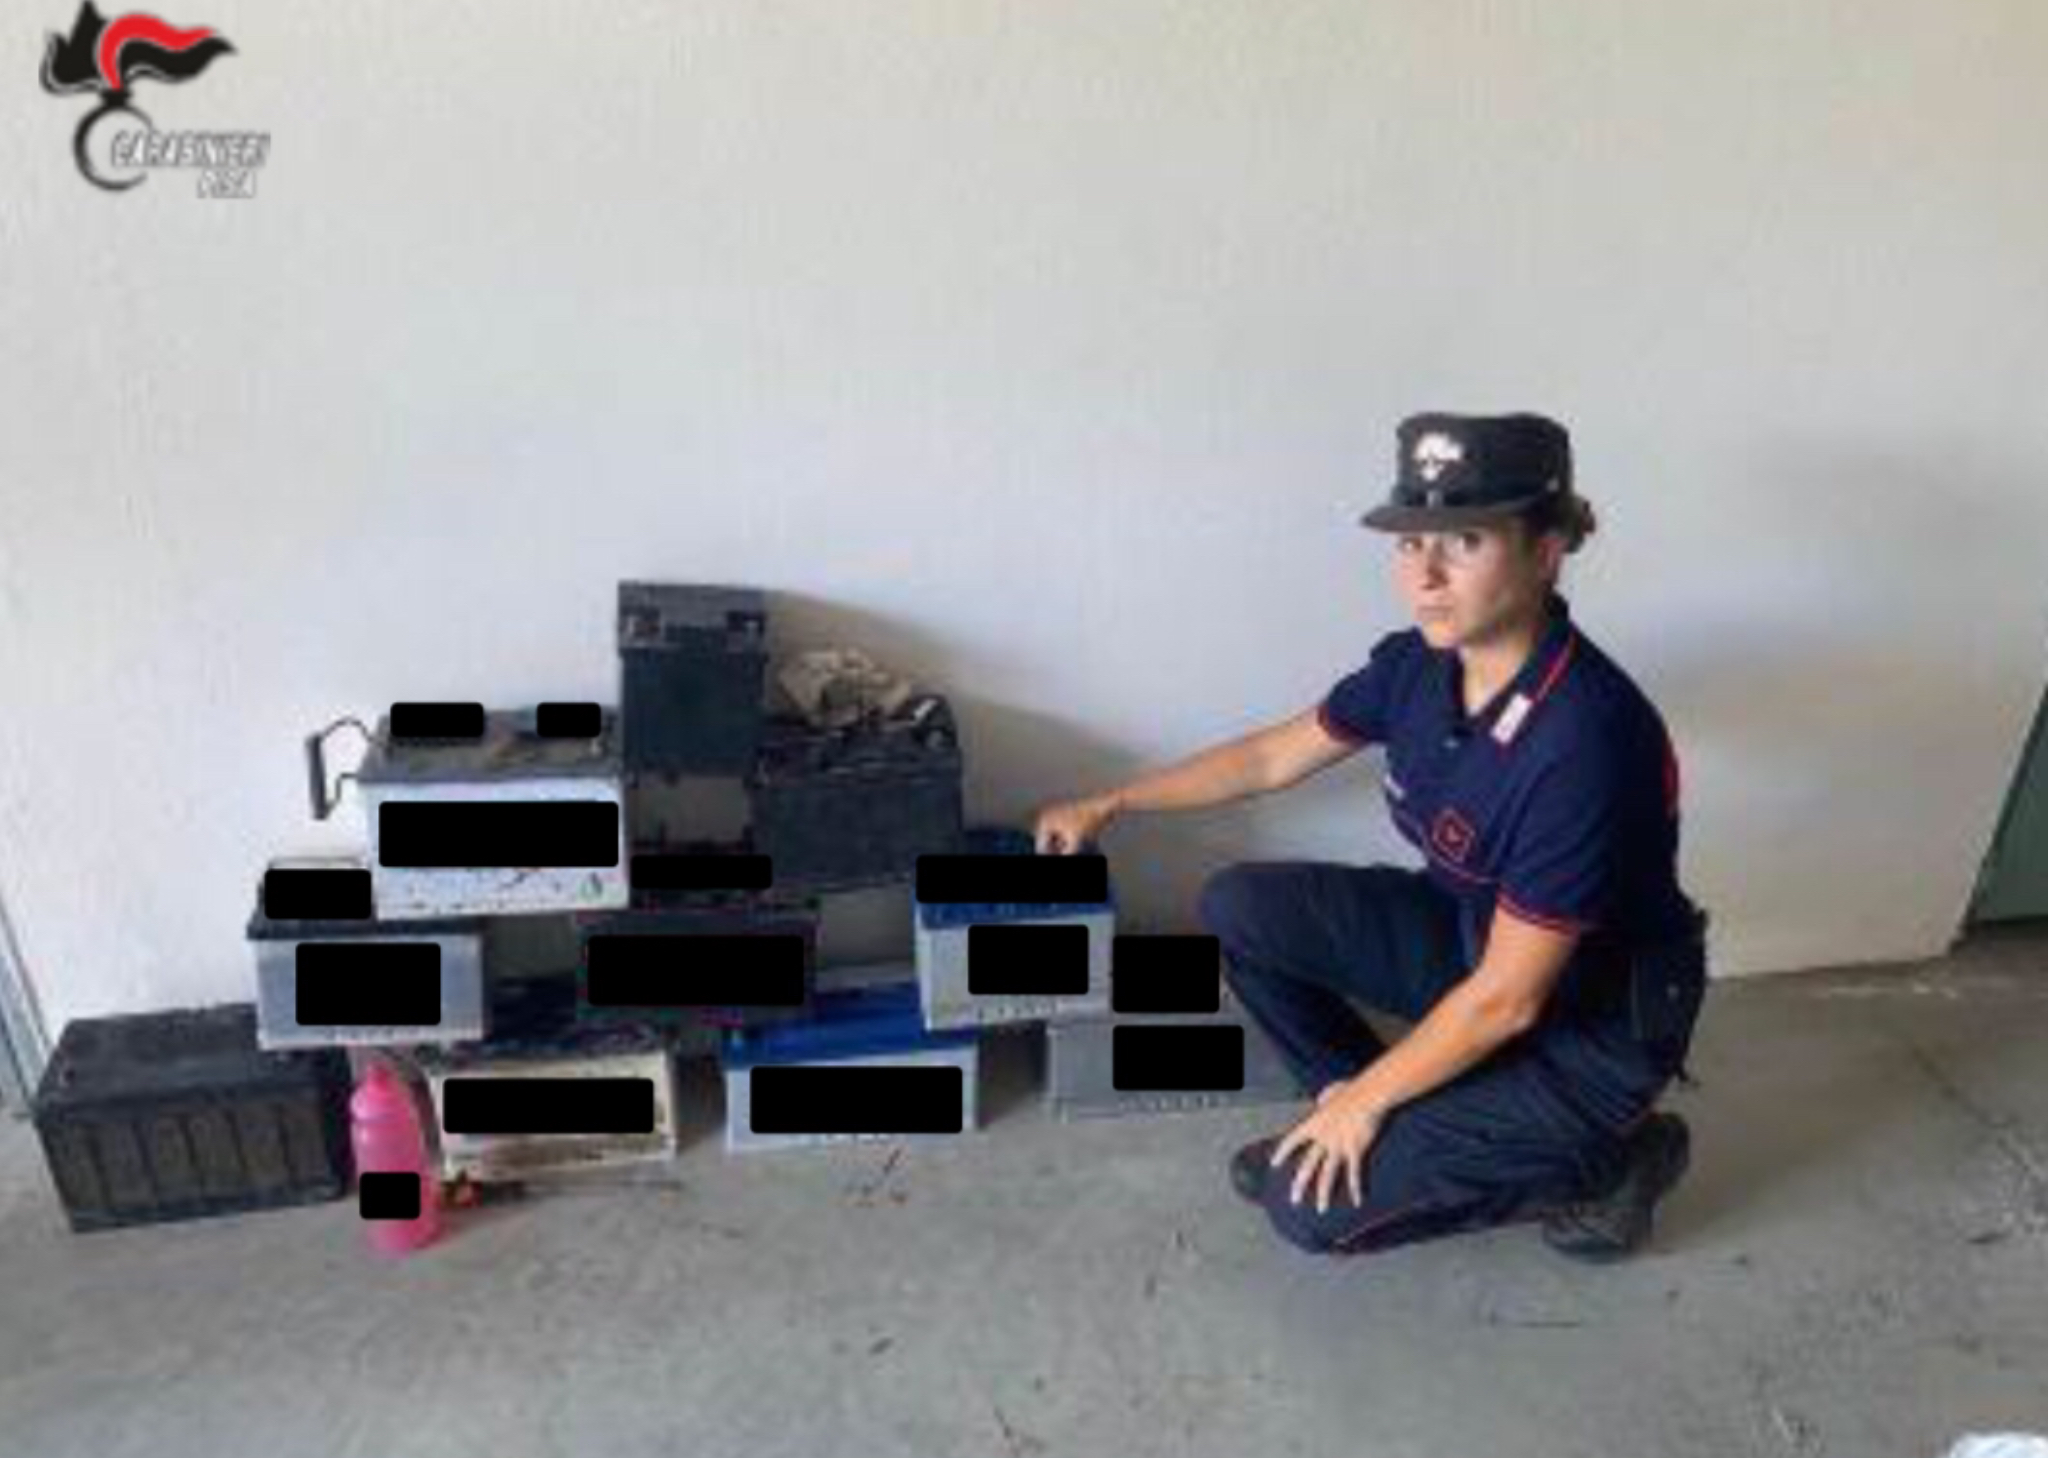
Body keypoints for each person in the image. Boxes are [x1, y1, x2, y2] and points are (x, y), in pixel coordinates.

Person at [1032, 412, 1707, 1261]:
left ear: (1546, 552)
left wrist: (1368, 1105)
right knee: (1239, 906)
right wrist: (1113, 800)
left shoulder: (1585, 740)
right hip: (1475, 945)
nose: (1425, 574)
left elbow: (1509, 1000)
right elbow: (1272, 755)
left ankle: (1613, 1164)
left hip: (1588, 1031)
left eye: (1464, 542)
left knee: (1306, 1212)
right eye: (1409, 542)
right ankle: (1368, 1111)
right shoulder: (1418, 666)